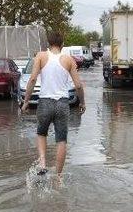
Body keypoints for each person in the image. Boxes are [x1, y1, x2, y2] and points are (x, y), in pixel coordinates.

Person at [21, 31, 85, 178]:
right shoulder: (68, 59)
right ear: (62, 44)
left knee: (41, 133)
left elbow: (31, 80)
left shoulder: (41, 56)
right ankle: (58, 178)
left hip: (44, 103)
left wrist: (26, 102)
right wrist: (82, 102)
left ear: (48, 44)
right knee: (61, 140)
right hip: (63, 104)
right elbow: (78, 86)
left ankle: (43, 164)